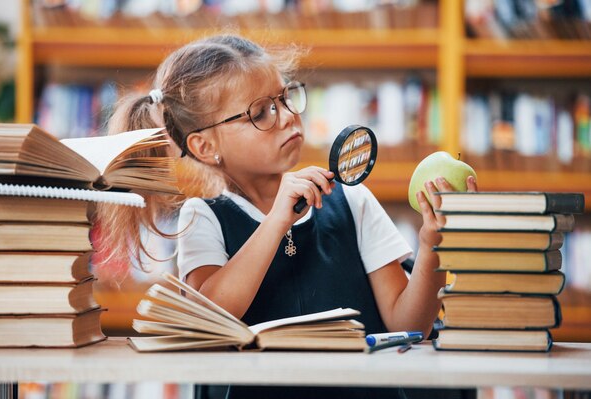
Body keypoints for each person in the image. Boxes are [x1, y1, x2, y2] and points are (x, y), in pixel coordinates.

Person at [98, 34, 478, 399]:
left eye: (284, 98)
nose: (285, 118)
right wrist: (276, 220)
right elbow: (211, 315)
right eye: (260, 112)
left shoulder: (353, 200)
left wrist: (432, 246)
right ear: (204, 145)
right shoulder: (203, 217)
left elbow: (409, 325)